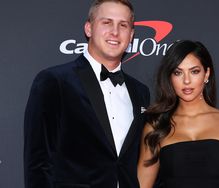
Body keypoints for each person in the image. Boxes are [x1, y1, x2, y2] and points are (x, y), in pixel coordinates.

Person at [24, 0, 150, 188]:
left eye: (123, 25)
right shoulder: (54, 81)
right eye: (106, 22)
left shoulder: (140, 92)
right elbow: (38, 162)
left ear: (131, 35)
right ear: (89, 28)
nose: (115, 32)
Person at [138, 40, 219, 188]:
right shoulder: (155, 127)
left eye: (194, 71)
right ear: (170, 78)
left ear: (207, 74)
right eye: (178, 72)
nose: (186, 80)